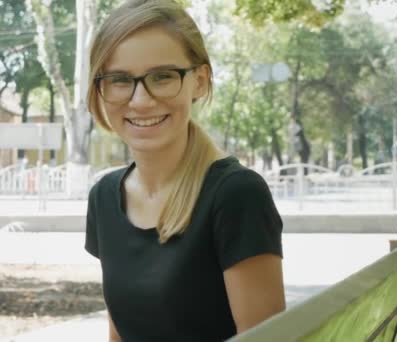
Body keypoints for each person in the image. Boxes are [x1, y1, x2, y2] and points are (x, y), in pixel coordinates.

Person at [84, 1, 285, 341]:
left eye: (162, 77)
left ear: (201, 81)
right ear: (100, 89)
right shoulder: (104, 197)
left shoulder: (236, 195)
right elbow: (119, 334)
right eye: (119, 79)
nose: (141, 100)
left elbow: (267, 338)